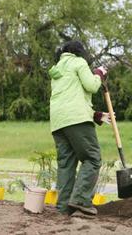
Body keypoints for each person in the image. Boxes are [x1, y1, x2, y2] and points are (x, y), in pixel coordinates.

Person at [49, 40, 110, 216]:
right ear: (79, 52)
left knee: (66, 164)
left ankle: (63, 208)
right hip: (77, 121)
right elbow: (91, 85)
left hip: (58, 123)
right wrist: (98, 73)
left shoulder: (58, 69)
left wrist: (96, 115)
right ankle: (81, 200)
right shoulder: (78, 62)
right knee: (92, 158)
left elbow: (70, 99)